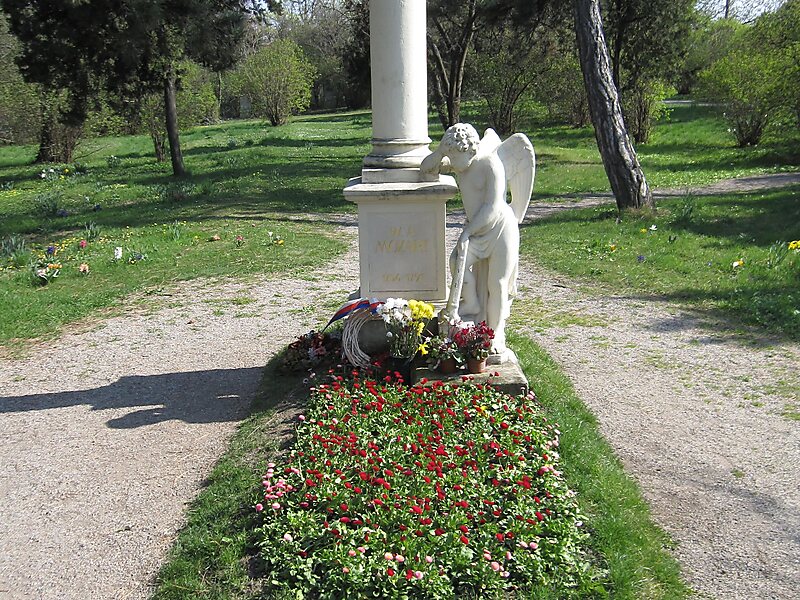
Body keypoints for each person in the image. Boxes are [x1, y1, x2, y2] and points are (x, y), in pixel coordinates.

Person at [421, 123, 534, 355]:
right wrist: (442, 151)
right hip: (477, 230)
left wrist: (466, 232)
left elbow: (492, 208)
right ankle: (471, 302)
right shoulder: (459, 162)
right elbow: (426, 169)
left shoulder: (490, 164)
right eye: (450, 158)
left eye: (455, 158)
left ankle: (497, 333)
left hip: (501, 229)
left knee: (498, 283)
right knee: (456, 262)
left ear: (470, 150)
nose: (452, 164)